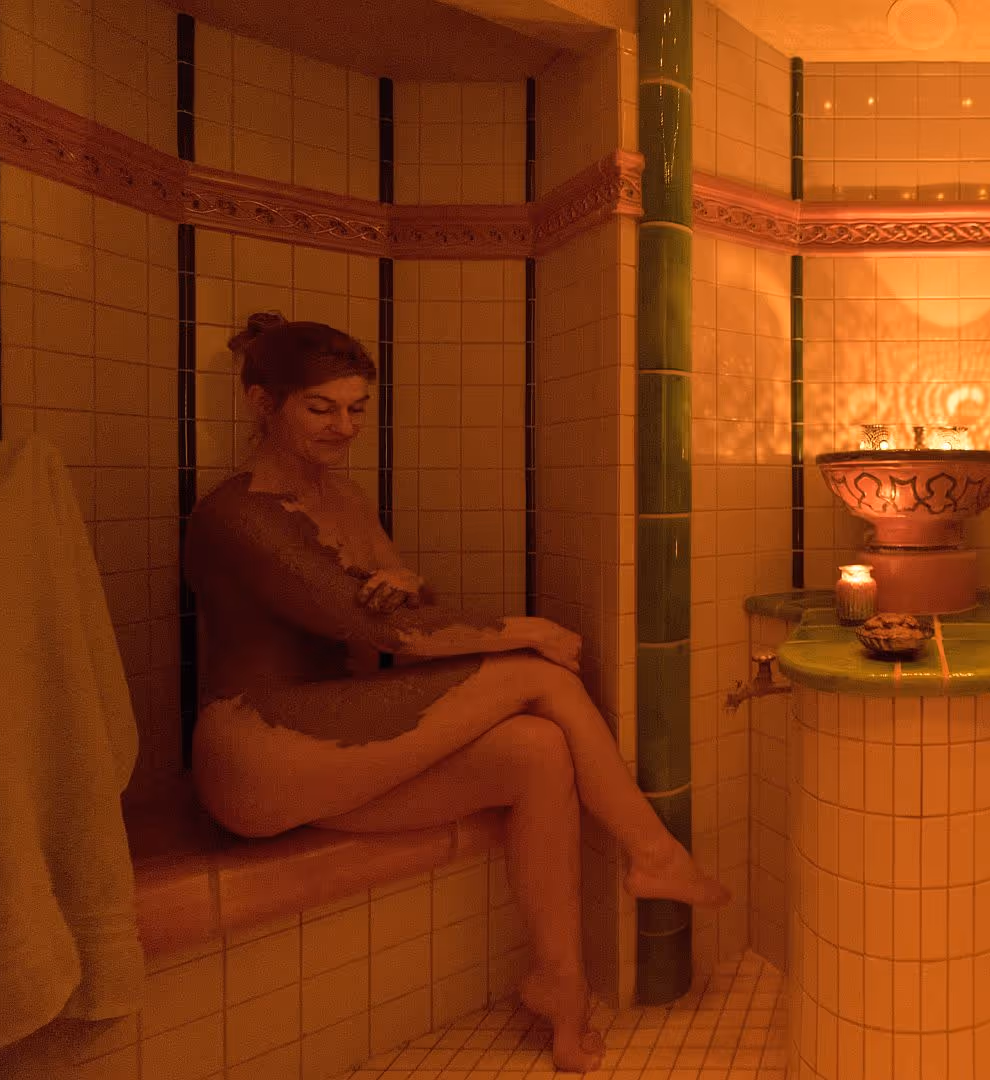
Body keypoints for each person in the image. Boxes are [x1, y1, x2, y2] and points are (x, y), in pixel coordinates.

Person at [184, 312, 726, 1072]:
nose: (343, 427)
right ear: (261, 402)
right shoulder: (235, 514)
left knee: (538, 752)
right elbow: (376, 632)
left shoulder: (343, 503)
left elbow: (403, 617)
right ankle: (651, 850)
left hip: (328, 752)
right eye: (320, 408)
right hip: (253, 753)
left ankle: (558, 986)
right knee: (535, 673)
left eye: (356, 409)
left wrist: (406, 583)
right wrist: (526, 627)